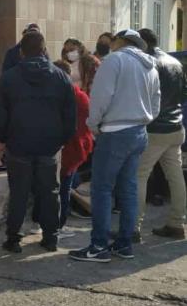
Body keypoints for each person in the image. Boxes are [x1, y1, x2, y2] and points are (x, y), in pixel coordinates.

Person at [69, 30, 160, 263]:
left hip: (114, 132)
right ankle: (124, 244)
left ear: (119, 41)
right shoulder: (149, 65)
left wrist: (93, 124)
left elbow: (100, 97)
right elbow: (156, 102)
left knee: (102, 189)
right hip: (139, 131)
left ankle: (98, 246)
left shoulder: (114, 61)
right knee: (128, 190)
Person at [0, 30, 76, 253]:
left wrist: (0, 139)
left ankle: (14, 238)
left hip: (19, 145)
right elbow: (70, 116)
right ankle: (50, 237)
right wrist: (61, 140)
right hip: (49, 146)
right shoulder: (61, 77)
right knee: (49, 192)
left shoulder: (9, 78)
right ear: (44, 50)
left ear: (21, 52)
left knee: (19, 192)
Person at [134, 28, 186, 240]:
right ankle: (177, 223)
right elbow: (184, 93)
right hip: (175, 127)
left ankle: (132, 228)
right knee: (175, 177)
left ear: (143, 43)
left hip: (155, 129)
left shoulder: (149, 62)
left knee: (138, 176)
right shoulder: (174, 62)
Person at [52, 59, 93, 237]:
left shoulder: (54, 94)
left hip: (59, 148)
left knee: (56, 188)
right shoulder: (78, 95)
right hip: (74, 148)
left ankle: (52, 224)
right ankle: (58, 225)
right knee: (63, 188)